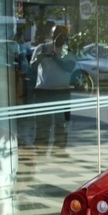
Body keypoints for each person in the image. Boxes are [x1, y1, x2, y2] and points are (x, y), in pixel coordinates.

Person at [29, 24, 76, 156]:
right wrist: (39, 59)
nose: (58, 37)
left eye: (61, 35)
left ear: (65, 37)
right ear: (51, 35)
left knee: (61, 124)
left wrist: (55, 58)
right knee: (42, 123)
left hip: (62, 91)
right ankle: (40, 150)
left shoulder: (68, 51)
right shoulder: (41, 48)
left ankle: (59, 151)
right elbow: (31, 68)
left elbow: (69, 67)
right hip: (43, 91)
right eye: (55, 34)